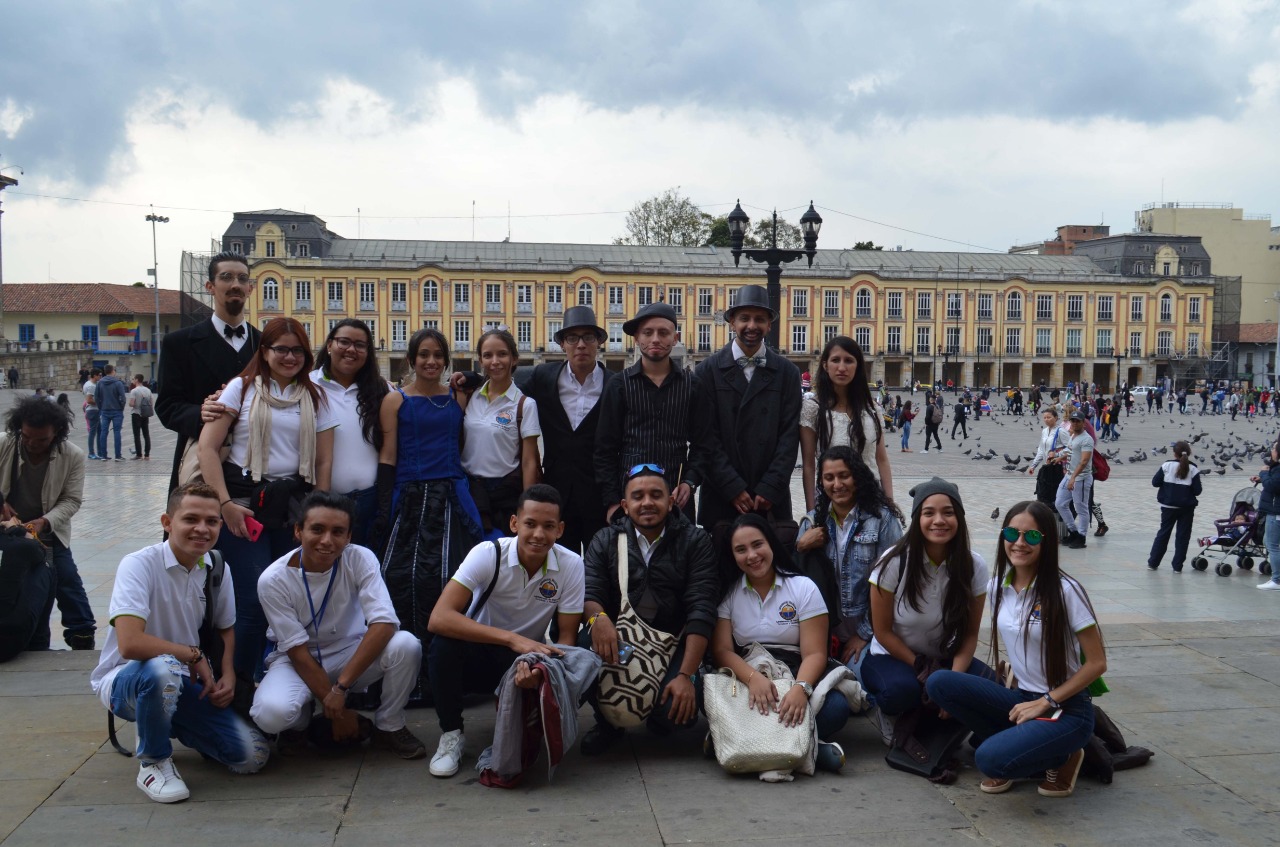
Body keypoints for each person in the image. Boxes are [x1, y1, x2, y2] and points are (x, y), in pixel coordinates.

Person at [90, 482, 269, 803]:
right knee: (163, 670)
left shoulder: (215, 566)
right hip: (127, 681)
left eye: (212, 521)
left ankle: (168, 720)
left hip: (186, 682)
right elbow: (130, 644)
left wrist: (227, 673)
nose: (202, 529)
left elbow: (226, 627)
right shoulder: (139, 564)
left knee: (251, 756)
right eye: (191, 519)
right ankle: (154, 762)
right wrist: (191, 654)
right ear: (167, 522)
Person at [927, 501, 1106, 798]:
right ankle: (1021, 747)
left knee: (988, 759)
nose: (1019, 543)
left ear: (1046, 542)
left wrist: (1046, 700)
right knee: (940, 683)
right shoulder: (999, 586)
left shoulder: (1065, 591)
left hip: (1067, 709)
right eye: (1012, 534)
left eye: (1032, 537)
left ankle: (1065, 754)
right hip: (1023, 698)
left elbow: (1097, 663)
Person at [197, 317, 336, 680]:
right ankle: (239, 682)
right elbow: (208, 448)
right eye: (281, 349)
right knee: (252, 599)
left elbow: (323, 460)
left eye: (297, 350)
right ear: (265, 351)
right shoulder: (240, 390)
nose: (289, 357)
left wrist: (316, 514)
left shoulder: (316, 397)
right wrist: (223, 505)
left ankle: (278, 679)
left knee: (289, 599)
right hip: (244, 505)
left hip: (291, 507)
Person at [251, 491, 427, 759]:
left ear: (349, 537)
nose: (327, 541)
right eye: (317, 529)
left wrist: (340, 689)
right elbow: (297, 651)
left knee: (407, 645)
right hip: (296, 661)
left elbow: (384, 623)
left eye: (337, 532)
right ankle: (298, 726)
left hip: (349, 653)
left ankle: (388, 726)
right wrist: (340, 713)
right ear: (298, 531)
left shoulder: (360, 558)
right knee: (270, 715)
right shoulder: (273, 580)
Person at [424, 484, 584, 778]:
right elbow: (439, 617)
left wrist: (544, 672)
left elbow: (567, 638)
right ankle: (451, 734)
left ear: (560, 529)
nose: (539, 534)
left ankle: (535, 717)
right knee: (443, 644)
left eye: (549, 526)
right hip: (481, 652)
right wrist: (514, 639)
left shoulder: (572, 564)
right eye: (530, 524)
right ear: (514, 524)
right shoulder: (488, 553)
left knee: (581, 660)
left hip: (526, 662)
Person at [376, 328, 488, 702]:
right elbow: (388, 454)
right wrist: (384, 504)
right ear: (411, 359)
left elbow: (493, 377)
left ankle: (452, 677)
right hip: (410, 494)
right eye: (423, 354)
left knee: (454, 579)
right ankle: (409, 678)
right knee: (401, 578)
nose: (430, 361)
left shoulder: (457, 397)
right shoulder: (396, 401)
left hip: (452, 494)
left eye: (438, 355)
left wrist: (467, 379)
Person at [578, 463, 718, 754]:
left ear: (670, 501)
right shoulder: (604, 540)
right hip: (621, 642)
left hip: (671, 646)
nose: (647, 503)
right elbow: (589, 591)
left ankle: (659, 713)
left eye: (656, 495)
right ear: (625, 505)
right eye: (638, 496)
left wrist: (686, 675)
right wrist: (597, 617)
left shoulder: (696, 541)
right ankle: (608, 723)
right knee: (583, 647)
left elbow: (701, 609)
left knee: (674, 713)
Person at [712, 513, 847, 772]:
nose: (751, 555)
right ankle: (812, 750)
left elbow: (815, 653)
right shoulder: (728, 593)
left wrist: (800, 689)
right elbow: (721, 651)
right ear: (733, 556)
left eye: (757, 544)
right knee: (706, 698)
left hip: (796, 671)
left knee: (835, 709)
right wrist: (753, 679)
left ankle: (737, 741)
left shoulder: (803, 587)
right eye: (741, 550)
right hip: (748, 672)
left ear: (771, 544)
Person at [861, 478, 993, 719]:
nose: (939, 521)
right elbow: (882, 632)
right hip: (894, 657)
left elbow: (970, 634)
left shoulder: (974, 565)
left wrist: (953, 680)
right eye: (928, 513)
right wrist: (924, 670)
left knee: (990, 688)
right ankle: (894, 717)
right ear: (917, 519)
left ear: (959, 519)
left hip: (944, 656)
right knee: (901, 691)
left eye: (948, 513)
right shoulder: (893, 562)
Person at [696, 284, 802, 535]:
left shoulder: (787, 373)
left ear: (769, 325)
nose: (752, 326)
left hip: (769, 500)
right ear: (732, 322)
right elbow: (705, 438)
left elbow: (789, 436)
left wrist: (770, 487)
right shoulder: (707, 372)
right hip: (722, 497)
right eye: (744, 318)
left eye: (759, 319)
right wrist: (732, 486)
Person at [157, 252, 261, 499]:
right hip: (199, 461)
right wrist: (199, 414)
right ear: (210, 287)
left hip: (255, 463)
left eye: (242, 278)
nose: (235, 284)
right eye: (226, 277)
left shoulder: (266, 344)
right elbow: (167, 406)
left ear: (250, 288)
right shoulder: (179, 343)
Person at [595, 302, 709, 522]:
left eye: (663, 333)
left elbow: (703, 444)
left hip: (676, 495)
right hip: (629, 496)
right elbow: (604, 449)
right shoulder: (619, 385)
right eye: (648, 332)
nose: (655, 339)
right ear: (637, 338)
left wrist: (690, 481)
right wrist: (611, 501)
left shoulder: (692, 385)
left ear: (675, 339)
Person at [796, 446, 903, 678]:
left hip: (871, 632)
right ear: (821, 483)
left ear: (858, 476)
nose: (837, 484)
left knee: (865, 682)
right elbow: (793, 582)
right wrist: (800, 546)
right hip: (823, 633)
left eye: (844, 475)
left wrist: (864, 634)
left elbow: (895, 584)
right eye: (829, 478)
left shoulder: (882, 520)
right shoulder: (813, 521)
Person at [515, 306, 614, 554]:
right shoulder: (542, 377)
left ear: (599, 342)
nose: (580, 344)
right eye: (572, 338)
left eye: (588, 337)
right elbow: (503, 385)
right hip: (557, 495)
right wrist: (471, 379)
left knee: (599, 568)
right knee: (557, 569)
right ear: (562, 344)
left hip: (599, 496)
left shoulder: (616, 383)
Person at [0, 395, 95, 650]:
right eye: (27, 436)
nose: (32, 443)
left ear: (57, 434)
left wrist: (43, 522)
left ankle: (82, 638)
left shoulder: (72, 455)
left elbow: (71, 500)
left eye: (41, 439)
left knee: (65, 580)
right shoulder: (4, 443)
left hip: (47, 534)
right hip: (5, 533)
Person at [312, 319, 388, 548]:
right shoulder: (308, 385)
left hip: (370, 501)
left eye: (360, 345)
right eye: (344, 342)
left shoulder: (382, 389)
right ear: (329, 345)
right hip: (324, 500)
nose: (351, 350)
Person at [461, 329, 542, 535]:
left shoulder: (525, 404)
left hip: (503, 495)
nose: (495, 361)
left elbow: (529, 461)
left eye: (502, 354)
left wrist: (528, 506)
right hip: (468, 492)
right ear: (480, 360)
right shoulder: (470, 396)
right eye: (488, 355)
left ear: (514, 359)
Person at [800, 335, 893, 512]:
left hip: (872, 501)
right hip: (832, 502)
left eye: (849, 361)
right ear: (825, 365)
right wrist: (812, 511)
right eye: (835, 360)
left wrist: (889, 504)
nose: (842, 367)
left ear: (857, 366)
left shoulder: (872, 408)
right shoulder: (813, 409)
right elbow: (809, 465)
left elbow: (881, 459)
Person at [1148, 441, 1202, 572]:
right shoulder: (1193, 469)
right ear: (1188, 453)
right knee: (1183, 537)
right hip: (1186, 508)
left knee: (1163, 533)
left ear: (1174, 453)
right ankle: (1177, 566)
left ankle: (1153, 563)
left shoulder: (1166, 465)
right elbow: (1197, 491)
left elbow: (1155, 482)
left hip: (1168, 506)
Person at [1054, 412, 1095, 550]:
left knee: (1081, 508)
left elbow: (1084, 461)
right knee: (1060, 503)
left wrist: (1073, 478)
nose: (1075, 423)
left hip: (1081, 478)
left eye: (1077, 421)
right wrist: (1059, 456)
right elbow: (1070, 450)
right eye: (1073, 421)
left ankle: (1081, 537)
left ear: (1084, 422)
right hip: (1070, 475)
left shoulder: (1087, 440)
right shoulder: (1073, 435)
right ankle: (1073, 532)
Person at [1255, 440, 1280, 590]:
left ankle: (1276, 580)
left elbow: (1273, 486)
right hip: (1274, 511)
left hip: (1276, 512)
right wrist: (1263, 478)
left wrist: (1264, 473)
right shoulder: (1276, 468)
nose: (1271, 451)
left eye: (1273, 449)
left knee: (1272, 545)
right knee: (1268, 542)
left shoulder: (1278, 468)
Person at [96, 364, 128, 461]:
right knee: (117, 432)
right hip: (117, 410)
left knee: (103, 432)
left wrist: (101, 407)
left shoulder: (100, 383)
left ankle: (103, 455)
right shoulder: (118, 383)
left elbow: (97, 397)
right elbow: (123, 398)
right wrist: (121, 407)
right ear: (113, 371)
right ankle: (118, 455)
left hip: (105, 410)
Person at [128, 373, 154, 460]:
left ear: (136, 380)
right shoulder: (148, 390)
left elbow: (131, 403)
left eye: (134, 379)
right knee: (146, 434)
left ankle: (139, 454)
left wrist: (131, 404)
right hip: (145, 414)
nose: (133, 381)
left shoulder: (134, 391)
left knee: (137, 435)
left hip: (136, 414)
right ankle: (147, 454)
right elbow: (151, 402)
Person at [82, 369, 101, 460]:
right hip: (93, 410)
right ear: (95, 376)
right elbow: (89, 400)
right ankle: (92, 452)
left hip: (92, 410)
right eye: (99, 375)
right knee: (93, 432)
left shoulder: (87, 383)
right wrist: (100, 403)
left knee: (99, 431)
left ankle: (100, 452)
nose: (100, 377)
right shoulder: (91, 386)